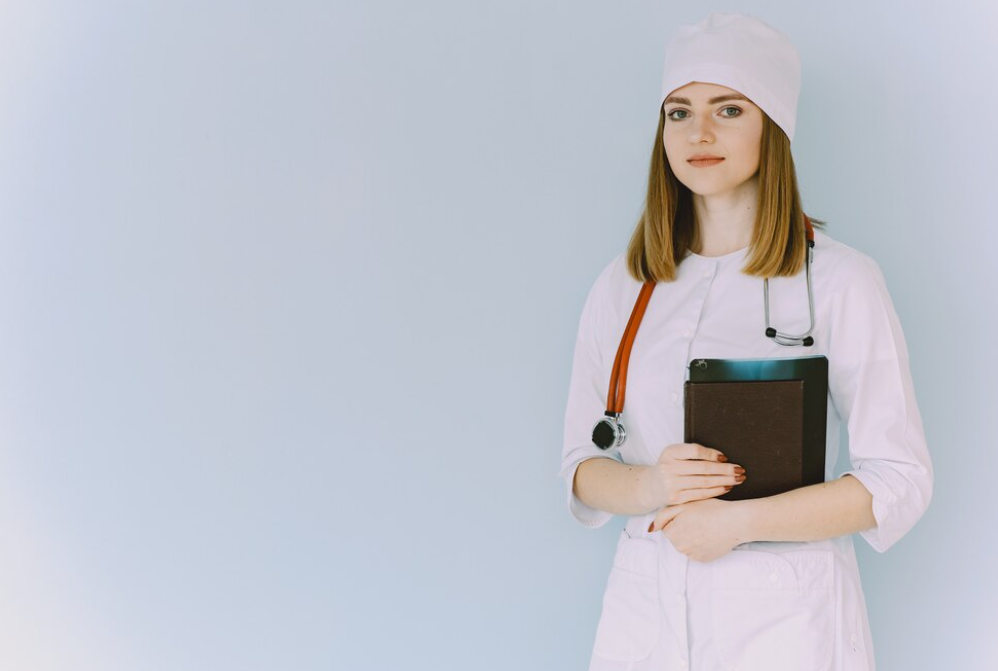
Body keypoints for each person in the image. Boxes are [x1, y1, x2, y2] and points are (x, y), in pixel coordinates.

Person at [556, 12, 933, 671]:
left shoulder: (841, 281)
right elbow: (580, 473)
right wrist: (651, 485)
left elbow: (900, 480)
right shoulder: (625, 285)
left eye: (728, 108)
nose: (699, 132)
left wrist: (739, 522)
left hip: (788, 621)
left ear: (773, 127)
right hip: (645, 614)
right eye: (679, 112)